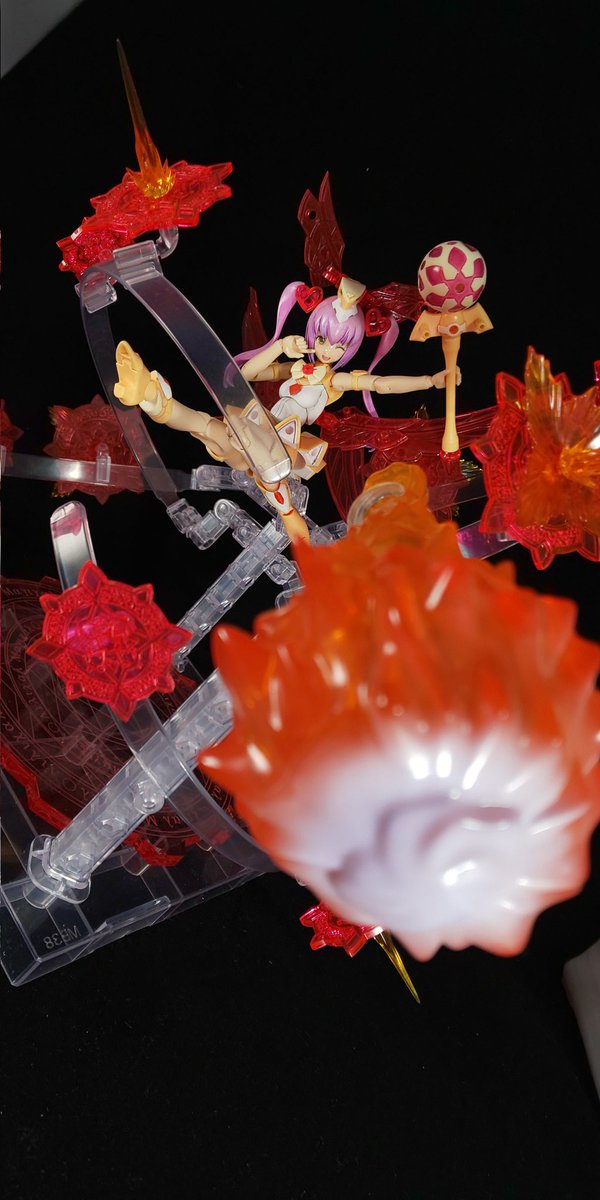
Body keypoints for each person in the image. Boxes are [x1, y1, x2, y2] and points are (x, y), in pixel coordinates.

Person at [235, 275, 456, 428]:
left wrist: (428, 381)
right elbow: (246, 374)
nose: (327, 351)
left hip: (283, 442)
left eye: (339, 346)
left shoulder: (333, 381)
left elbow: (381, 384)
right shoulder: (296, 368)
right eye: (322, 339)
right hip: (261, 425)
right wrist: (280, 346)